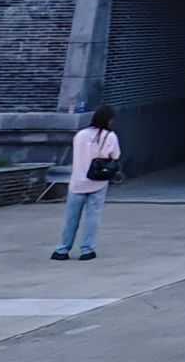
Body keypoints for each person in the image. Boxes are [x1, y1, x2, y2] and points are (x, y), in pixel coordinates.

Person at [51, 106, 120, 261]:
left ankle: (62, 250)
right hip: (98, 183)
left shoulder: (80, 135)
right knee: (92, 217)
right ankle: (87, 250)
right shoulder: (110, 136)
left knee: (71, 218)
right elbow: (115, 155)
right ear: (109, 120)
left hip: (77, 182)